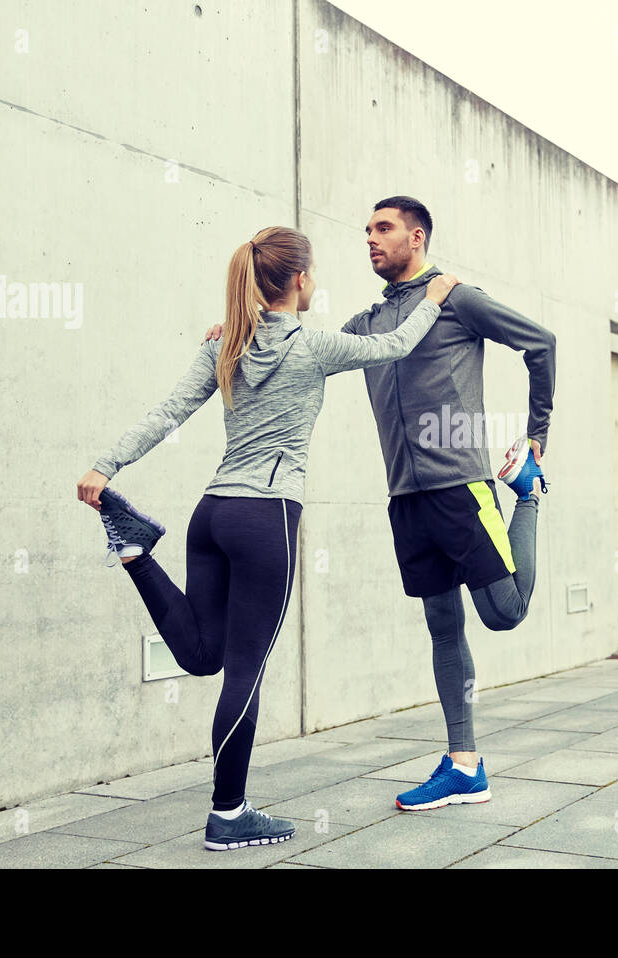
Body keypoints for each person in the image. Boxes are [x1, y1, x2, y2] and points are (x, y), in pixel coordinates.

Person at [77, 226, 459, 850]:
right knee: (244, 674)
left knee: (203, 655)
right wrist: (436, 296)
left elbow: (166, 413)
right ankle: (229, 812)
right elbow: (394, 346)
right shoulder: (312, 345)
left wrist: (106, 467)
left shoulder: (227, 342)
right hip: (266, 519)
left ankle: (135, 550)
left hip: (214, 514)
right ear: (301, 281)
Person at [204, 195, 556, 812]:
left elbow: (541, 343)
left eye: (383, 228)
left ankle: (527, 493)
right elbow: (300, 351)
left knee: (504, 612)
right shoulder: (367, 324)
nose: (370, 238)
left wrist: (536, 437)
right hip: (404, 496)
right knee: (443, 628)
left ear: (416, 236)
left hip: (461, 487)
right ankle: (464, 765)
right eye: (367, 229)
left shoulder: (455, 299)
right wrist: (243, 332)